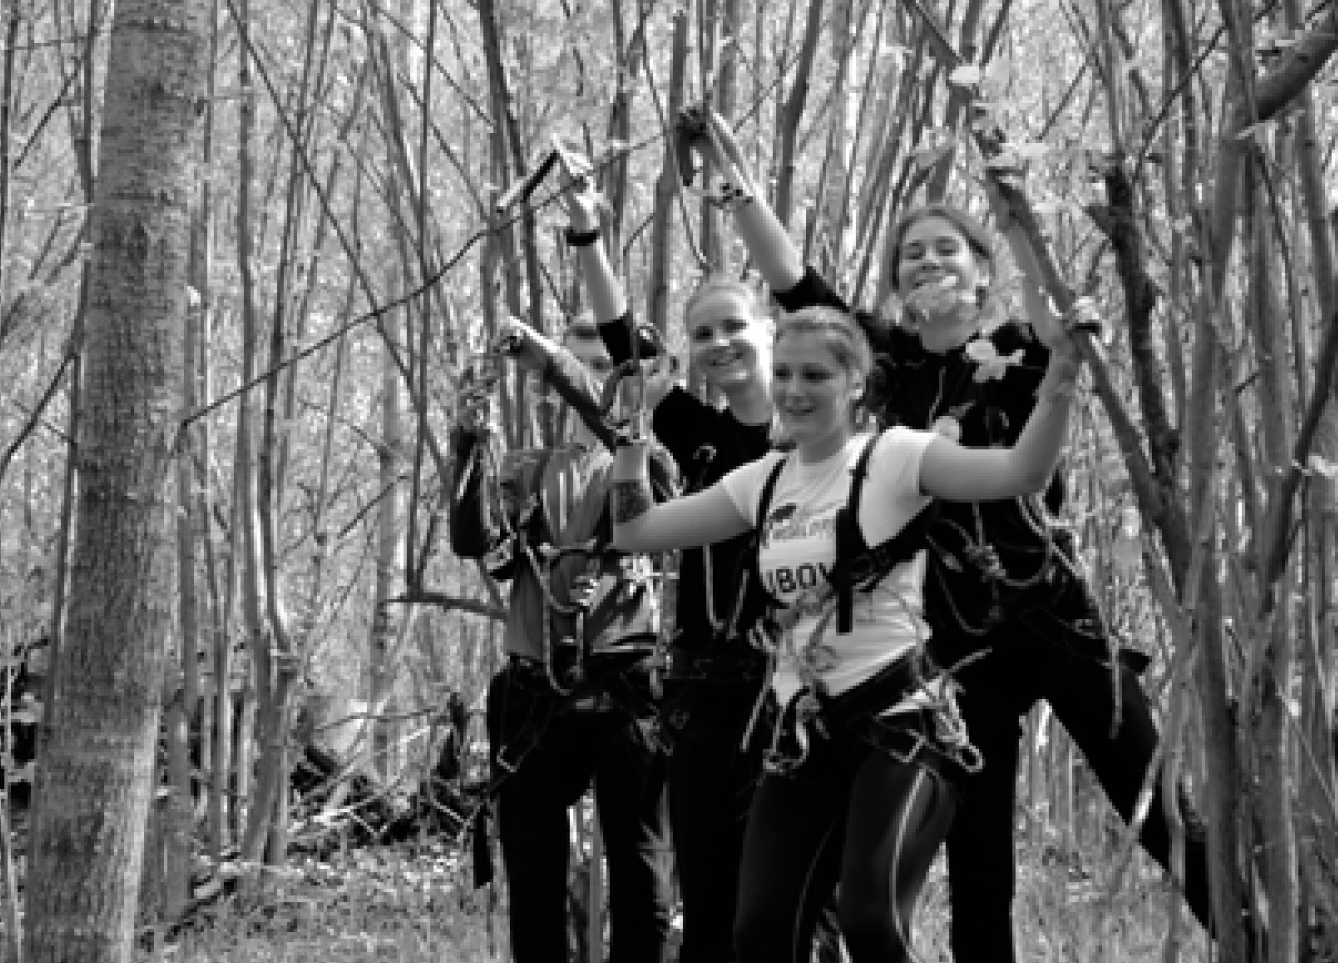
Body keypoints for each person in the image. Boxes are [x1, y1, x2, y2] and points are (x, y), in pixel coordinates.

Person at [683, 107, 1212, 963]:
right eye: (911, 254)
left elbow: (1054, 323)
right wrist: (738, 187)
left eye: (947, 249)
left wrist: (1011, 204)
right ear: (896, 284)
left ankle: (1261, 933)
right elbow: (795, 285)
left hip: (1058, 622)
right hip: (961, 650)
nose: (927, 262)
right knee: (979, 872)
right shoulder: (886, 365)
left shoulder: (1020, 348)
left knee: (1167, 820)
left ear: (981, 270)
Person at [610, 297, 1089, 963]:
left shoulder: (896, 457)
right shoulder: (762, 482)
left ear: (856, 383)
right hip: (805, 737)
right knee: (759, 935)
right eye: (784, 374)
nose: (794, 391)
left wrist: (1061, 373)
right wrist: (630, 438)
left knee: (870, 920)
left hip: (900, 725)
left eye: (815, 376)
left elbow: (1021, 471)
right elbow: (635, 530)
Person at [560, 178, 851, 963]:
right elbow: (624, 345)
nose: (719, 344)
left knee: (796, 914)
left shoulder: (827, 436)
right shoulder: (699, 436)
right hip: (700, 697)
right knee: (710, 912)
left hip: (799, 695)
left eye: (733, 327)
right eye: (703, 334)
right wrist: (588, 238)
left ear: (771, 331)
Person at [449, 315, 678, 963]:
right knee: (533, 880)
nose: (592, 382)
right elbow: (473, 541)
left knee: (643, 875)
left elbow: (654, 493)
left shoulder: (650, 465)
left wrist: (552, 361)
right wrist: (467, 444)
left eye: (606, 368)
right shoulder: (526, 470)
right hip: (535, 698)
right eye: (583, 366)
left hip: (625, 694)